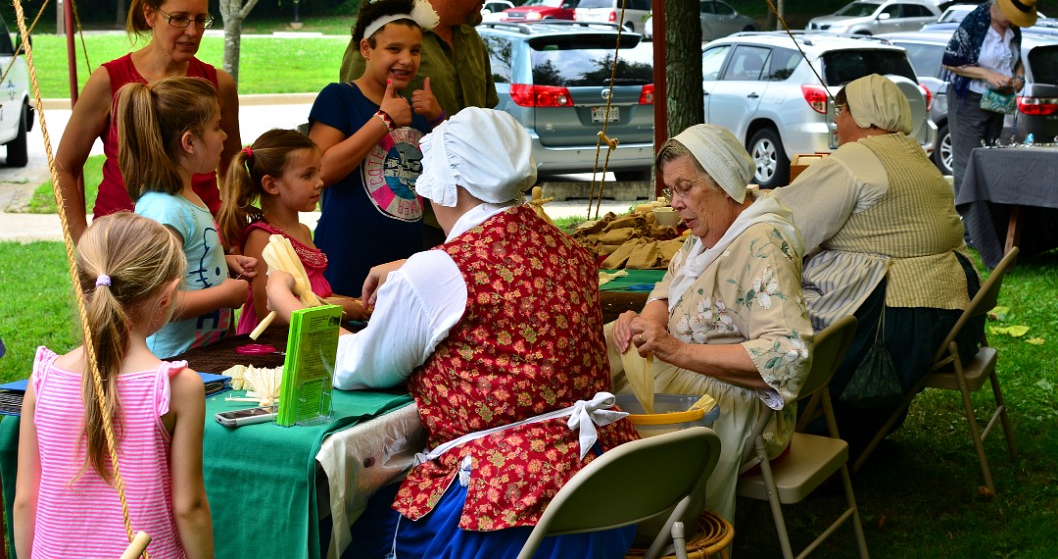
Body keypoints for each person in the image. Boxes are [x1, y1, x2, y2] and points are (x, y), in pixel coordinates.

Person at [269, 107, 639, 559]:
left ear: (447, 183)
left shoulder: (443, 269)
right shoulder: (566, 248)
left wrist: (291, 306)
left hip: (504, 512)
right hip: (598, 493)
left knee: (349, 534)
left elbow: (355, 368)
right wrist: (413, 270)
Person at [609, 124, 813, 523]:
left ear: (724, 181)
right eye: (671, 191)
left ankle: (636, 529)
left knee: (604, 420)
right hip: (688, 369)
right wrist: (646, 321)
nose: (676, 203)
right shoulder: (707, 233)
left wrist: (676, 350)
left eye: (685, 187)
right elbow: (670, 286)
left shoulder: (762, 244)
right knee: (590, 360)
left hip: (734, 401)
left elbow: (788, 358)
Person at [772, 74, 982, 447]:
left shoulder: (856, 160)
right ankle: (859, 436)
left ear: (864, 114)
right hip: (954, 314)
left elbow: (786, 224)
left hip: (897, 323)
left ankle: (814, 440)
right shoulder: (914, 152)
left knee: (773, 315)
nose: (837, 121)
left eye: (842, 110)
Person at [13, 212, 214, 559]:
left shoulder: (42, 377)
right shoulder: (177, 387)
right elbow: (189, 507)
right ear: (166, 296)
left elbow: (24, 500)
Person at [55, 0, 240, 244]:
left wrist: (230, 229)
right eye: (179, 18)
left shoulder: (218, 84)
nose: (192, 31)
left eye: (200, 19)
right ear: (150, 14)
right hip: (123, 245)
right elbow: (65, 165)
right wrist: (81, 240)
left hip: (198, 244)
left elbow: (231, 167)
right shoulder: (109, 80)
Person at [339, 0, 499, 248]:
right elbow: (352, 113)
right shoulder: (387, 27)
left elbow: (487, 114)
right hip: (409, 214)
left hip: (473, 214)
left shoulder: (471, 39)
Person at [309, 0, 442, 297]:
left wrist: (439, 120)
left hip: (403, 266)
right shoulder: (339, 98)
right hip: (344, 265)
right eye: (394, 48)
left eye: (415, 50)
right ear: (366, 49)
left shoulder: (416, 111)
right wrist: (383, 120)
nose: (407, 59)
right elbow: (320, 171)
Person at [118, 77, 254, 358]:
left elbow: (187, 263)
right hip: (170, 360)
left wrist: (221, 264)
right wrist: (224, 296)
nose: (225, 135)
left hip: (200, 354)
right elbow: (155, 303)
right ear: (190, 141)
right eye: (216, 127)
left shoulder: (186, 199)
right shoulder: (164, 211)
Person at [217, 128, 365, 333]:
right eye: (307, 175)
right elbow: (269, 313)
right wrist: (338, 309)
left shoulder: (303, 230)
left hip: (310, 332)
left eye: (318, 172)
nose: (320, 182)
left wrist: (353, 302)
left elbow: (311, 294)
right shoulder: (262, 238)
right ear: (271, 184)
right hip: (275, 345)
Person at [942, 0, 1038, 199]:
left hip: (997, 101)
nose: (1015, 21)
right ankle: (968, 226)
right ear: (1000, 4)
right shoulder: (975, 22)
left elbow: (1016, 61)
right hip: (969, 100)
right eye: (1013, 15)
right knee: (968, 162)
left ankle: (989, 216)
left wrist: (1019, 78)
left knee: (991, 158)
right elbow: (949, 61)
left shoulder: (1014, 29)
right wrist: (987, 74)